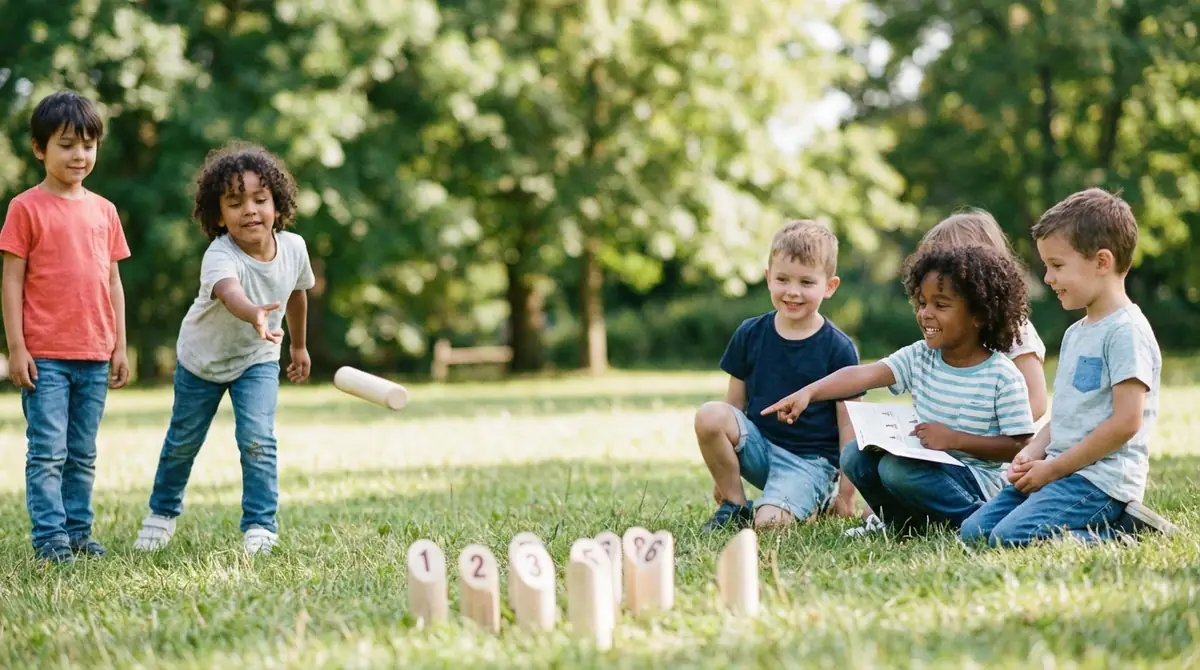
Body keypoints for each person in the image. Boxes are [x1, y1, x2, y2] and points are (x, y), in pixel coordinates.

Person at [761, 243, 1036, 536]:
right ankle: (902, 524)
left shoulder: (1002, 375)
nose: (925, 314)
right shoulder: (921, 356)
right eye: (922, 303)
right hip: (929, 466)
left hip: (977, 484)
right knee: (855, 454)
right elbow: (863, 375)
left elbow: (1019, 446)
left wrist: (954, 439)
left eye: (940, 305)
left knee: (896, 470)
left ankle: (974, 521)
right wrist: (809, 393)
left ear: (979, 315)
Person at [960, 188, 1177, 546]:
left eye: (1057, 266)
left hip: (1099, 481)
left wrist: (1053, 469)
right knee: (974, 533)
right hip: (1058, 471)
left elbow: (1126, 422)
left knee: (1008, 539)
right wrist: (1031, 452)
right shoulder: (1077, 332)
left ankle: (1123, 534)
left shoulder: (1127, 332)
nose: (1047, 278)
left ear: (1102, 262)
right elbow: (1064, 415)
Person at [132, 142, 315, 555]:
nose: (249, 209)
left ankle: (260, 526)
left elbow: (299, 294)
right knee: (182, 442)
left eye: (259, 199)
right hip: (202, 360)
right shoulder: (219, 254)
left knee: (258, 439)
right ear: (218, 215)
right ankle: (161, 515)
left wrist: (299, 347)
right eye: (235, 203)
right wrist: (253, 312)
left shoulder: (295, 249)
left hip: (258, 357)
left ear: (277, 205)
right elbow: (230, 293)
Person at [847, 208, 1050, 537]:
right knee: (876, 462)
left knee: (904, 473)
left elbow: (1035, 405)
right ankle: (905, 519)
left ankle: (978, 518)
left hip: (984, 460)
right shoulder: (940, 337)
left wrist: (961, 432)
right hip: (940, 451)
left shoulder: (1015, 331)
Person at [0, 90, 131, 563]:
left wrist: (120, 346)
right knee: (48, 453)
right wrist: (17, 347)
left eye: (88, 145)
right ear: (39, 149)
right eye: (66, 144)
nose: (80, 155)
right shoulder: (25, 208)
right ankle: (50, 539)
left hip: (95, 352)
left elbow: (113, 282)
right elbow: (11, 281)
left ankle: (79, 532)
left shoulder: (105, 211)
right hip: (46, 356)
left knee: (82, 453)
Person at [695, 219, 861, 532]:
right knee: (709, 415)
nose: (792, 292)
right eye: (782, 279)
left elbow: (849, 425)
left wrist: (847, 493)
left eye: (806, 283)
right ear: (768, 278)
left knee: (770, 524)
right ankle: (734, 504)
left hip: (810, 463)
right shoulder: (750, 333)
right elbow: (732, 406)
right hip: (760, 448)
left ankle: (813, 499)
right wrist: (723, 478)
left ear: (829, 286)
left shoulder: (839, 348)